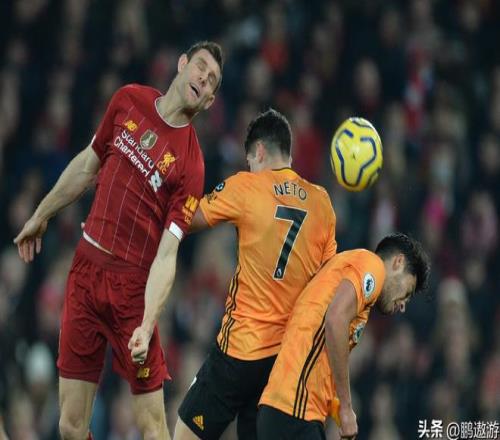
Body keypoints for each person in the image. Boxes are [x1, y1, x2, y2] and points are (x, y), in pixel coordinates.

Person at [13, 41, 224, 440]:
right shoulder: (129, 100)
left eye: (212, 80)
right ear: (182, 64)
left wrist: (147, 322)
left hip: (131, 292)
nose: (203, 78)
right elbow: (87, 164)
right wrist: (41, 214)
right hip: (86, 270)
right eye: (200, 67)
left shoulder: (191, 164)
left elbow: (168, 252)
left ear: (210, 100)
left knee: (152, 427)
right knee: (70, 427)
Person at [174, 109, 337, 440]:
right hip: (281, 365)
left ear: (259, 151)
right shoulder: (322, 204)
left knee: (184, 434)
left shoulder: (247, 186)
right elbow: (328, 282)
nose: (249, 167)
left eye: (249, 160)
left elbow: (186, 219)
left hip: (240, 349)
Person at [258, 233, 430, 439]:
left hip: (289, 408)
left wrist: (336, 407)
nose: (403, 305)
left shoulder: (353, 287)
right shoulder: (372, 265)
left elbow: (317, 347)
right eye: (407, 292)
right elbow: (335, 320)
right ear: (398, 262)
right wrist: (347, 407)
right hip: (294, 409)